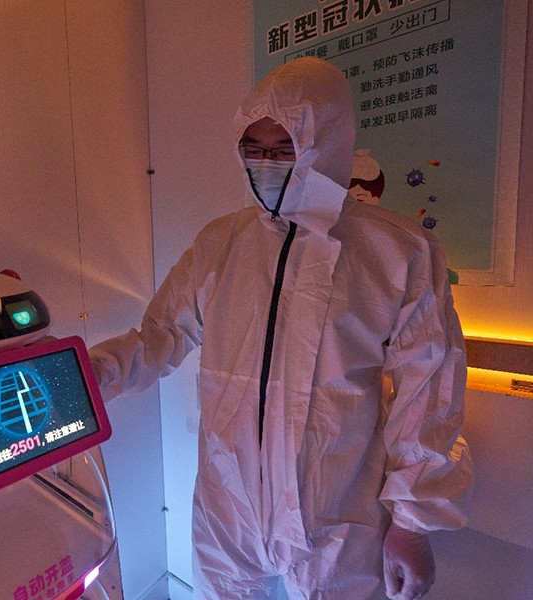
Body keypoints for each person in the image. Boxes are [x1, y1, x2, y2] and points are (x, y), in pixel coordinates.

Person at [90, 57, 472, 600]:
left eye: (285, 148)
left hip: (335, 510)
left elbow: (429, 389)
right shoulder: (221, 243)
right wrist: (90, 376)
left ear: (327, 146)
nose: (266, 164)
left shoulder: (397, 250)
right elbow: (161, 335)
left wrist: (412, 523)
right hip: (229, 504)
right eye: (254, 148)